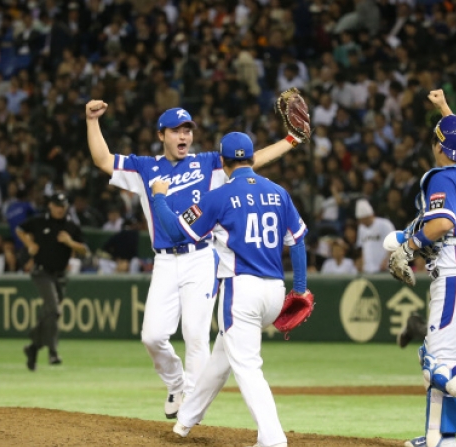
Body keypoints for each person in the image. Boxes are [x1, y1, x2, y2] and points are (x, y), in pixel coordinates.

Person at [85, 98, 304, 418]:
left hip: (201, 258)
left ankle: (191, 407)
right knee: (152, 336)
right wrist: (92, 121)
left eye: (187, 129)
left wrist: (289, 141)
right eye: (176, 130)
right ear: (162, 135)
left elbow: (249, 161)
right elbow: (103, 159)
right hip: (164, 261)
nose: (183, 135)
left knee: (195, 334)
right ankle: (176, 383)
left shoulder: (208, 163)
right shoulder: (145, 168)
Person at [151, 132, 308, 447]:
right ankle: (186, 420)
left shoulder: (219, 196)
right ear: (251, 158)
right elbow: (298, 241)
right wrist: (300, 288)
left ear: (222, 162)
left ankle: (273, 440)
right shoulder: (279, 192)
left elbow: (176, 231)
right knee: (222, 358)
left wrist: (159, 199)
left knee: (247, 367)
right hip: (274, 292)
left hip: (242, 292)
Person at [387, 89, 456, 447]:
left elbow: (442, 222)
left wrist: (409, 246)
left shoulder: (444, 176)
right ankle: (439, 438)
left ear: (439, 146)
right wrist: (446, 109)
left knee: (438, 367)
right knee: (435, 356)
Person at [16, 191, 88, 370]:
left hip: (60, 275)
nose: (59, 209)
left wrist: (70, 243)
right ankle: (53, 352)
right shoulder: (40, 221)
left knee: (49, 314)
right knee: (54, 311)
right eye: (57, 205)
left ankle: (32, 347)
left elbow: (84, 251)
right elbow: (19, 229)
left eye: (62, 206)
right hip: (42, 272)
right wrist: (29, 244)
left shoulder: (70, 226)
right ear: (50, 205)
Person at [355, 198, 395, 273]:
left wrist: (387, 260)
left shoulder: (385, 224)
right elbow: (363, 248)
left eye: (365, 219)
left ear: (371, 215)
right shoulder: (361, 228)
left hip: (384, 268)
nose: (363, 222)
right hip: (368, 269)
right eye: (361, 220)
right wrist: (362, 264)